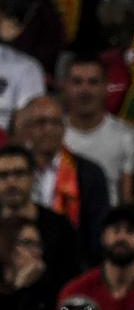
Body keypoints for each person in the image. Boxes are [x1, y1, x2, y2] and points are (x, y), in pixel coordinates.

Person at [11, 95, 111, 257]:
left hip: (71, 263)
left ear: (64, 128)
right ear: (27, 128)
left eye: (55, 122)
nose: (48, 129)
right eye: (41, 122)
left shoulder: (89, 173)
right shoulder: (11, 171)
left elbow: (97, 234)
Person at [61, 55, 134, 205]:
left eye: (93, 82)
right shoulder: (52, 136)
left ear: (106, 87)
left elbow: (129, 200)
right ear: (65, 86)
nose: (84, 90)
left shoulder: (129, 137)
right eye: (77, 82)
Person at [0, 145, 80, 291]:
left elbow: (72, 284)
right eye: (3, 175)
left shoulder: (60, 228)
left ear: (33, 177)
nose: (11, 182)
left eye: (19, 173)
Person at [0, 216, 59, 310]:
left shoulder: (45, 291)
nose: (36, 252)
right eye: (27, 243)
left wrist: (24, 289)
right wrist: (19, 289)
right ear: (7, 245)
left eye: (38, 245)